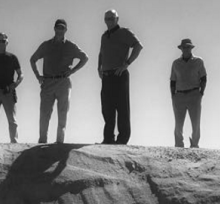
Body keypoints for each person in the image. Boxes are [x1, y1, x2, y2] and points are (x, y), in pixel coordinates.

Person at [29, 19, 88, 144]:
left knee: (62, 113)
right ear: (54, 28)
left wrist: (72, 71)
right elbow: (33, 59)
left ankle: (59, 143)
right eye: (58, 27)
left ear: (66, 30)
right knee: (44, 114)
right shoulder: (46, 45)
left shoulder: (70, 46)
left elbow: (84, 58)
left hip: (63, 83)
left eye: (62, 28)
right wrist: (38, 76)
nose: (60, 30)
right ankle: (42, 142)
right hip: (48, 82)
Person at [98, 10, 142, 145]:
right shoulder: (104, 36)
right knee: (107, 108)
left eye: (111, 18)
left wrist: (126, 64)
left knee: (122, 108)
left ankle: (122, 139)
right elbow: (101, 53)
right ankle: (108, 139)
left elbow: (138, 46)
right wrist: (98, 67)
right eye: (106, 19)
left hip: (119, 75)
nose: (109, 21)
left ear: (117, 19)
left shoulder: (124, 32)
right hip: (106, 76)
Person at [170, 38, 207, 148]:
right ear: (181, 49)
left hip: (194, 94)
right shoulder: (176, 63)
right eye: (184, 47)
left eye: (188, 47)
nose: (186, 49)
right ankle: (178, 145)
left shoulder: (198, 61)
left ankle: (195, 144)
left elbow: (204, 78)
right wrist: (173, 95)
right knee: (178, 123)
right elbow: (172, 80)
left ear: (191, 48)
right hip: (179, 95)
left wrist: (201, 93)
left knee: (196, 123)